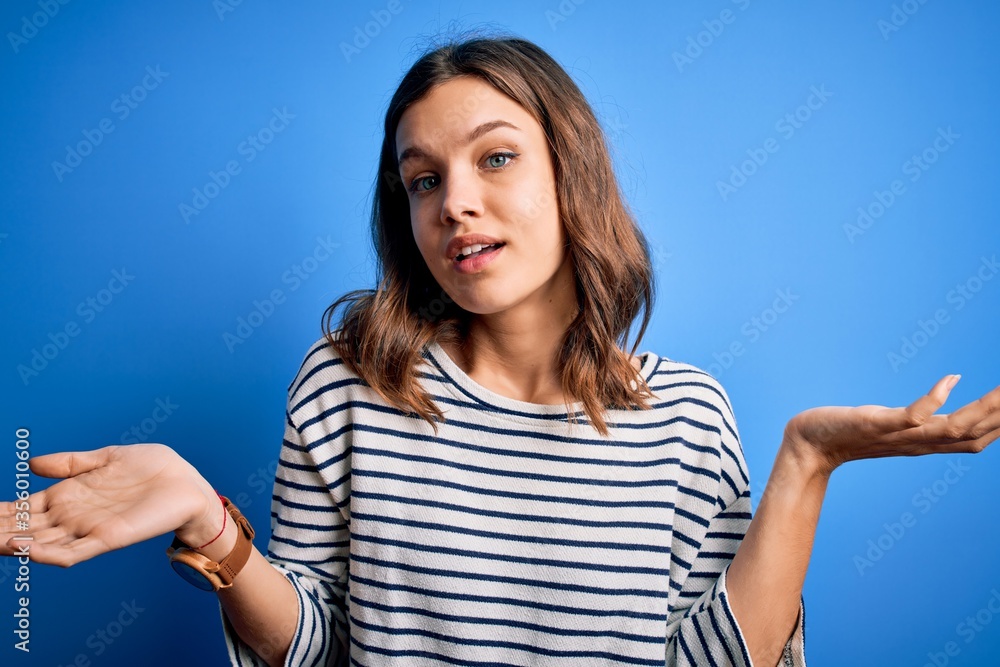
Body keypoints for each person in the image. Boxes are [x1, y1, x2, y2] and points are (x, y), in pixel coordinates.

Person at [2, 33, 997, 667]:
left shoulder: (688, 415)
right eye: (422, 179)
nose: (456, 202)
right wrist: (208, 523)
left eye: (495, 157)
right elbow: (310, 647)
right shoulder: (348, 385)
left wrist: (806, 464)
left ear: (572, 175)